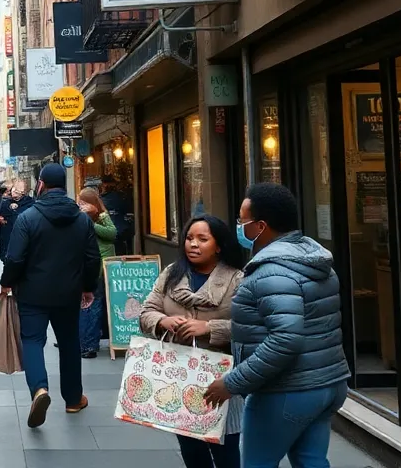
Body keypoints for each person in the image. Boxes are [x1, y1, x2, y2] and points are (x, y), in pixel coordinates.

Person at [203, 183, 351, 468]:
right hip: (327, 383)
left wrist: (231, 383)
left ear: (261, 226)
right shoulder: (313, 261)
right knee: (311, 461)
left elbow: (285, 340)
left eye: (242, 221)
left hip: (285, 390)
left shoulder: (271, 273)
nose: (238, 226)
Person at [139, 215, 246, 468]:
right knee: (191, 450)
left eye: (202, 239)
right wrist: (163, 321)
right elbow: (146, 312)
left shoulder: (237, 280)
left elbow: (250, 327)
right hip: (179, 374)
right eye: (189, 238)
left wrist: (209, 328)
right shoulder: (171, 274)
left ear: (218, 245)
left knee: (225, 449)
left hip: (220, 379)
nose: (193, 245)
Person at [0, 163, 101, 428]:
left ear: (41, 184)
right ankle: (72, 399)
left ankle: (39, 390)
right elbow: (92, 259)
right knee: (69, 343)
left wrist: (6, 283)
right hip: (68, 294)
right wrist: (89, 287)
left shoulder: (28, 217)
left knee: (32, 340)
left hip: (32, 293)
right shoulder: (82, 219)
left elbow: (15, 257)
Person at [76, 188, 116, 358]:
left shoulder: (102, 216)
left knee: (93, 304)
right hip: (86, 264)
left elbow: (112, 233)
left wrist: (90, 222)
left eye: (83, 202)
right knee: (86, 305)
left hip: (100, 265)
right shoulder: (79, 215)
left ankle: (89, 344)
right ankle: (83, 340)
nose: (80, 205)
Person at [0, 180, 33, 262]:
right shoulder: (5, 203)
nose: (13, 191)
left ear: (23, 192)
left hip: (24, 245)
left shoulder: (30, 203)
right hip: (7, 244)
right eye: (13, 189)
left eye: (16, 189)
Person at [99, 178, 135, 256]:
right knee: (120, 249)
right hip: (120, 229)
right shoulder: (119, 197)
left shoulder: (102, 199)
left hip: (110, 230)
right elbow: (127, 208)